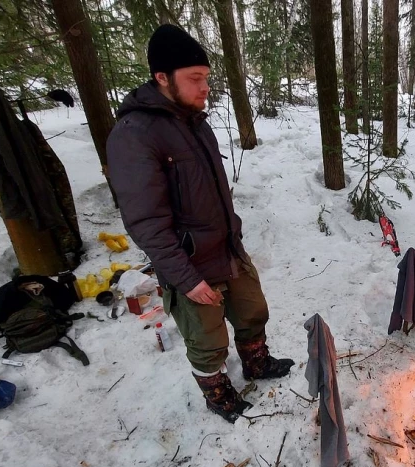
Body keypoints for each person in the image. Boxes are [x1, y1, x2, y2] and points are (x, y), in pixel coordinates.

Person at [106, 24, 293, 423]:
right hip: (190, 264)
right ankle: (218, 394)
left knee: (252, 312)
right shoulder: (134, 134)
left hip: (226, 248)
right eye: (194, 79)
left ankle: (257, 364)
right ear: (162, 78)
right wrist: (185, 278)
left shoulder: (195, 121)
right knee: (207, 340)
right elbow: (146, 221)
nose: (204, 86)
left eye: (206, 77)